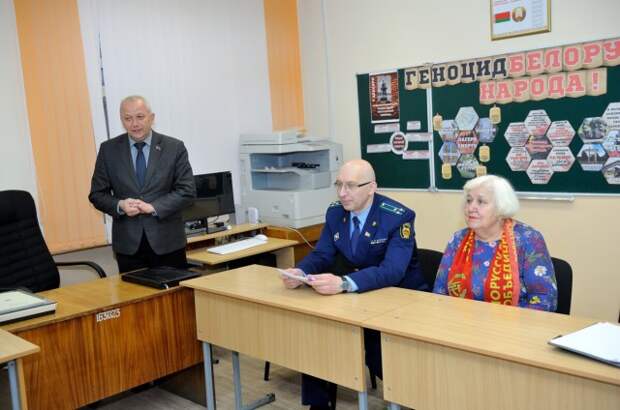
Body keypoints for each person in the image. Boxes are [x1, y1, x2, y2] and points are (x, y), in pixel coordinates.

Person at [281, 159, 427, 410]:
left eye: (350, 186)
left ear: (371, 187)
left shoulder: (398, 217)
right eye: (339, 184)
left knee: (378, 353)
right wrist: (300, 271)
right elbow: (323, 254)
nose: (342, 193)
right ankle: (319, 405)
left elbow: (392, 271)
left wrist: (344, 283)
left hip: (399, 300)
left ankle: (415, 398)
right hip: (358, 298)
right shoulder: (336, 212)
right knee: (318, 334)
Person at [89, 95, 195, 273]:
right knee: (133, 291)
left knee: (174, 291)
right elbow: (97, 194)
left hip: (167, 243)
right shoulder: (108, 150)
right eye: (128, 118)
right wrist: (120, 205)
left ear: (151, 118)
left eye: (140, 117)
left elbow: (187, 191)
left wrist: (154, 207)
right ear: (122, 120)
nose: (134, 124)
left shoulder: (174, 147)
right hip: (128, 246)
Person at [433, 175, 557, 311]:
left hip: (512, 322)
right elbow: (439, 293)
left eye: (481, 201)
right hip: (461, 320)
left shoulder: (528, 239)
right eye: (469, 200)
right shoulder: (458, 239)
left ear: (500, 208)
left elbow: (544, 301)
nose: (471, 207)